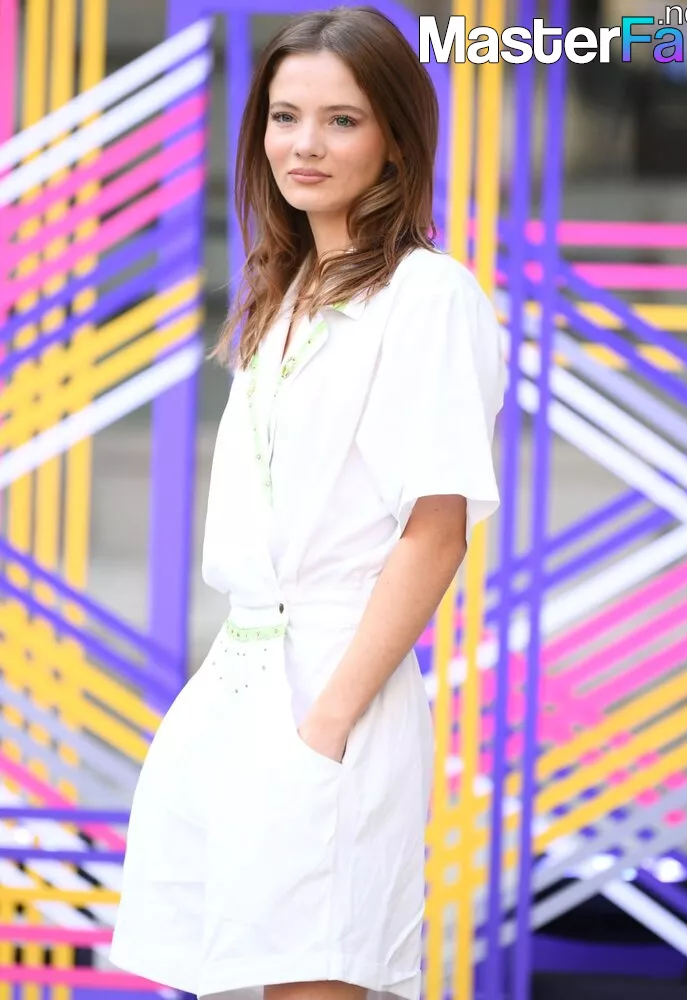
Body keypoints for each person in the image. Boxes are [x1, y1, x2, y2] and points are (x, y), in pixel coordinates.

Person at [109, 6, 507, 1000]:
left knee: (315, 976)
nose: (305, 145)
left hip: (333, 682)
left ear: (395, 138)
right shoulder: (282, 291)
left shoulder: (427, 296)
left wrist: (325, 725)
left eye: (342, 120)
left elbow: (435, 532)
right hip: (237, 677)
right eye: (286, 117)